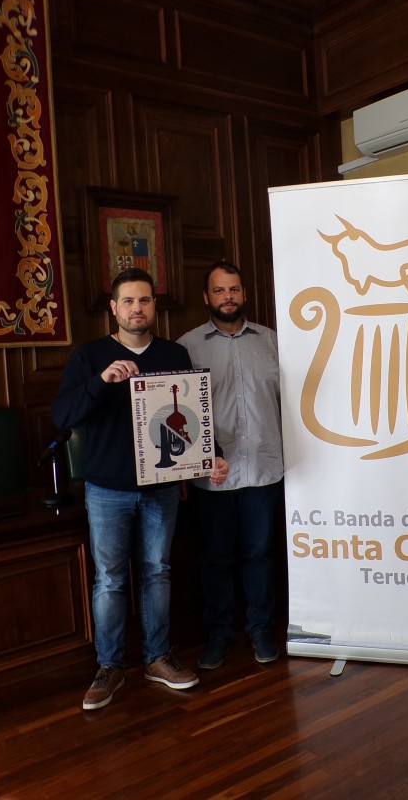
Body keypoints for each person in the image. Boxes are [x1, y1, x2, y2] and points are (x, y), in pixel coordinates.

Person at [53, 266, 229, 710]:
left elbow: (191, 415)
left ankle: (156, 658)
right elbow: (63, 416)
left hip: (162, 488)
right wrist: (101, 382)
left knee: (157, 572)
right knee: (110, 580)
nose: (137, 308)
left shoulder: (173, 354)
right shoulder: (90, 356)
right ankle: (109, 667)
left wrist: (212, 456)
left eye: (145, 300)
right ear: (114, 308)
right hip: (107, 489)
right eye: (128, 301)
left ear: (154, 305)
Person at [178, 261, 283, 669]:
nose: (228, 297)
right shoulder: (186, 347)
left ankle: (260, 630)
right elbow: (180, 413)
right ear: (207, 297)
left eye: (234, 289)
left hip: (263, 469)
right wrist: (191, 469)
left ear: (243, 293)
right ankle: (218, 635)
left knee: (260, 554)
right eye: (220, 291)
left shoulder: (273, 342)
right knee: (216, 558)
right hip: (212, 475)